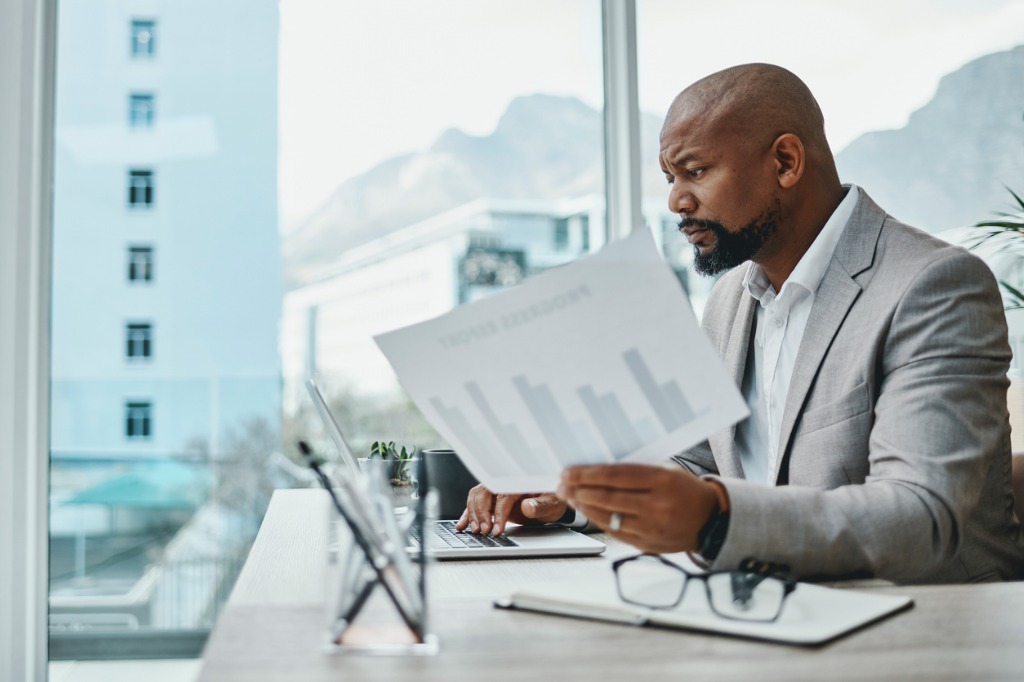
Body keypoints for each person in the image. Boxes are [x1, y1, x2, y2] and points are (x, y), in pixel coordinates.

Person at [456, 63, 1024, 583]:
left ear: (785, 162)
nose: (677, 200)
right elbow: (697, 462)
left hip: (922, 631)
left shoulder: (934, 285)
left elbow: (918, 516)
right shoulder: (731, 297)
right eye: (670, 178)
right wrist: (574, 495)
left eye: (695, 171)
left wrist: (714, 517)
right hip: (772, 614)